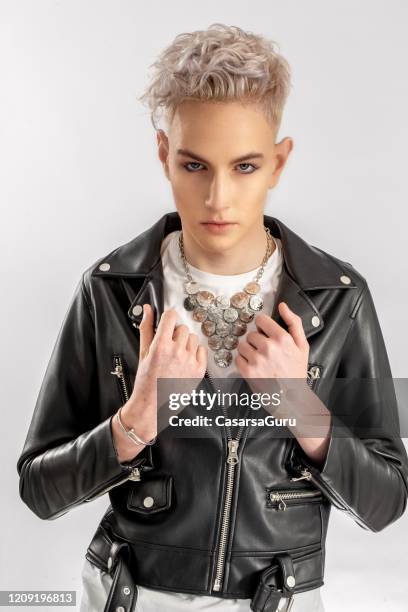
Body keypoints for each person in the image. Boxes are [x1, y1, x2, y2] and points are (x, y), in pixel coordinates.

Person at [17, 23, 408, 612]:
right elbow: (39, 490)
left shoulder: (338, 299)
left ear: (278, 163)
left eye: (245, 167)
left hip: (280, 599)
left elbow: (387, 502)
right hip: (126, 596)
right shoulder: (109, 289)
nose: (219, 198)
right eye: (195, 166)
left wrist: (302, 407)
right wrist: (136, 419)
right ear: (163, 156)